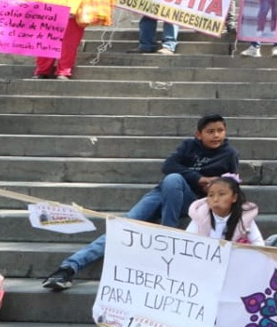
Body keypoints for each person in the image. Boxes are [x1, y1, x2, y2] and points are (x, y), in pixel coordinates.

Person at [42, 114, 239, 290]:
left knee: (174, 179)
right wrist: (199, 178)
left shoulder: (229, 154)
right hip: (162, 193)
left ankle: (167, 231)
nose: (216, 136)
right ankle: (68, 268)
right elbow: (169, 165)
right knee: (124, 223)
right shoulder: (189, 146)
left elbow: (232, 183)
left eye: (220, 131)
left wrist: (213, 187)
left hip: (192, 200)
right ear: (199, 134)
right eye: (210, 131)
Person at [184, 175, 265, 245]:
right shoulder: (200, 216)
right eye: (211, 195)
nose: (215, 199)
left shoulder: (244, 218)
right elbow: (186, 242)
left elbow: (258, 244)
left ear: (234, 197)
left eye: (221, 194)